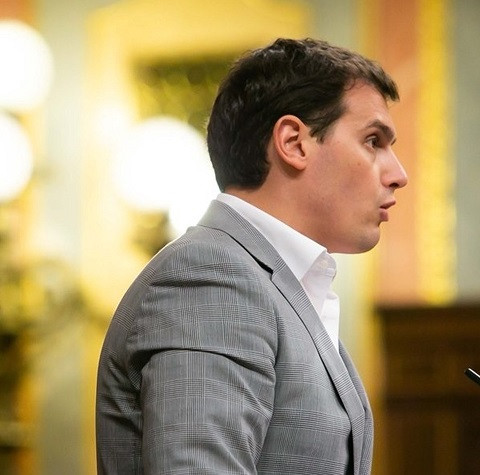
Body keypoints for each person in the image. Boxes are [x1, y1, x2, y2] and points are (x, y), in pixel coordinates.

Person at [96, 37, 408, 474]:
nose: (399, 174)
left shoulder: (266, 282)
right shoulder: (212, 277)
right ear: (294, 142)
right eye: (373, 140)